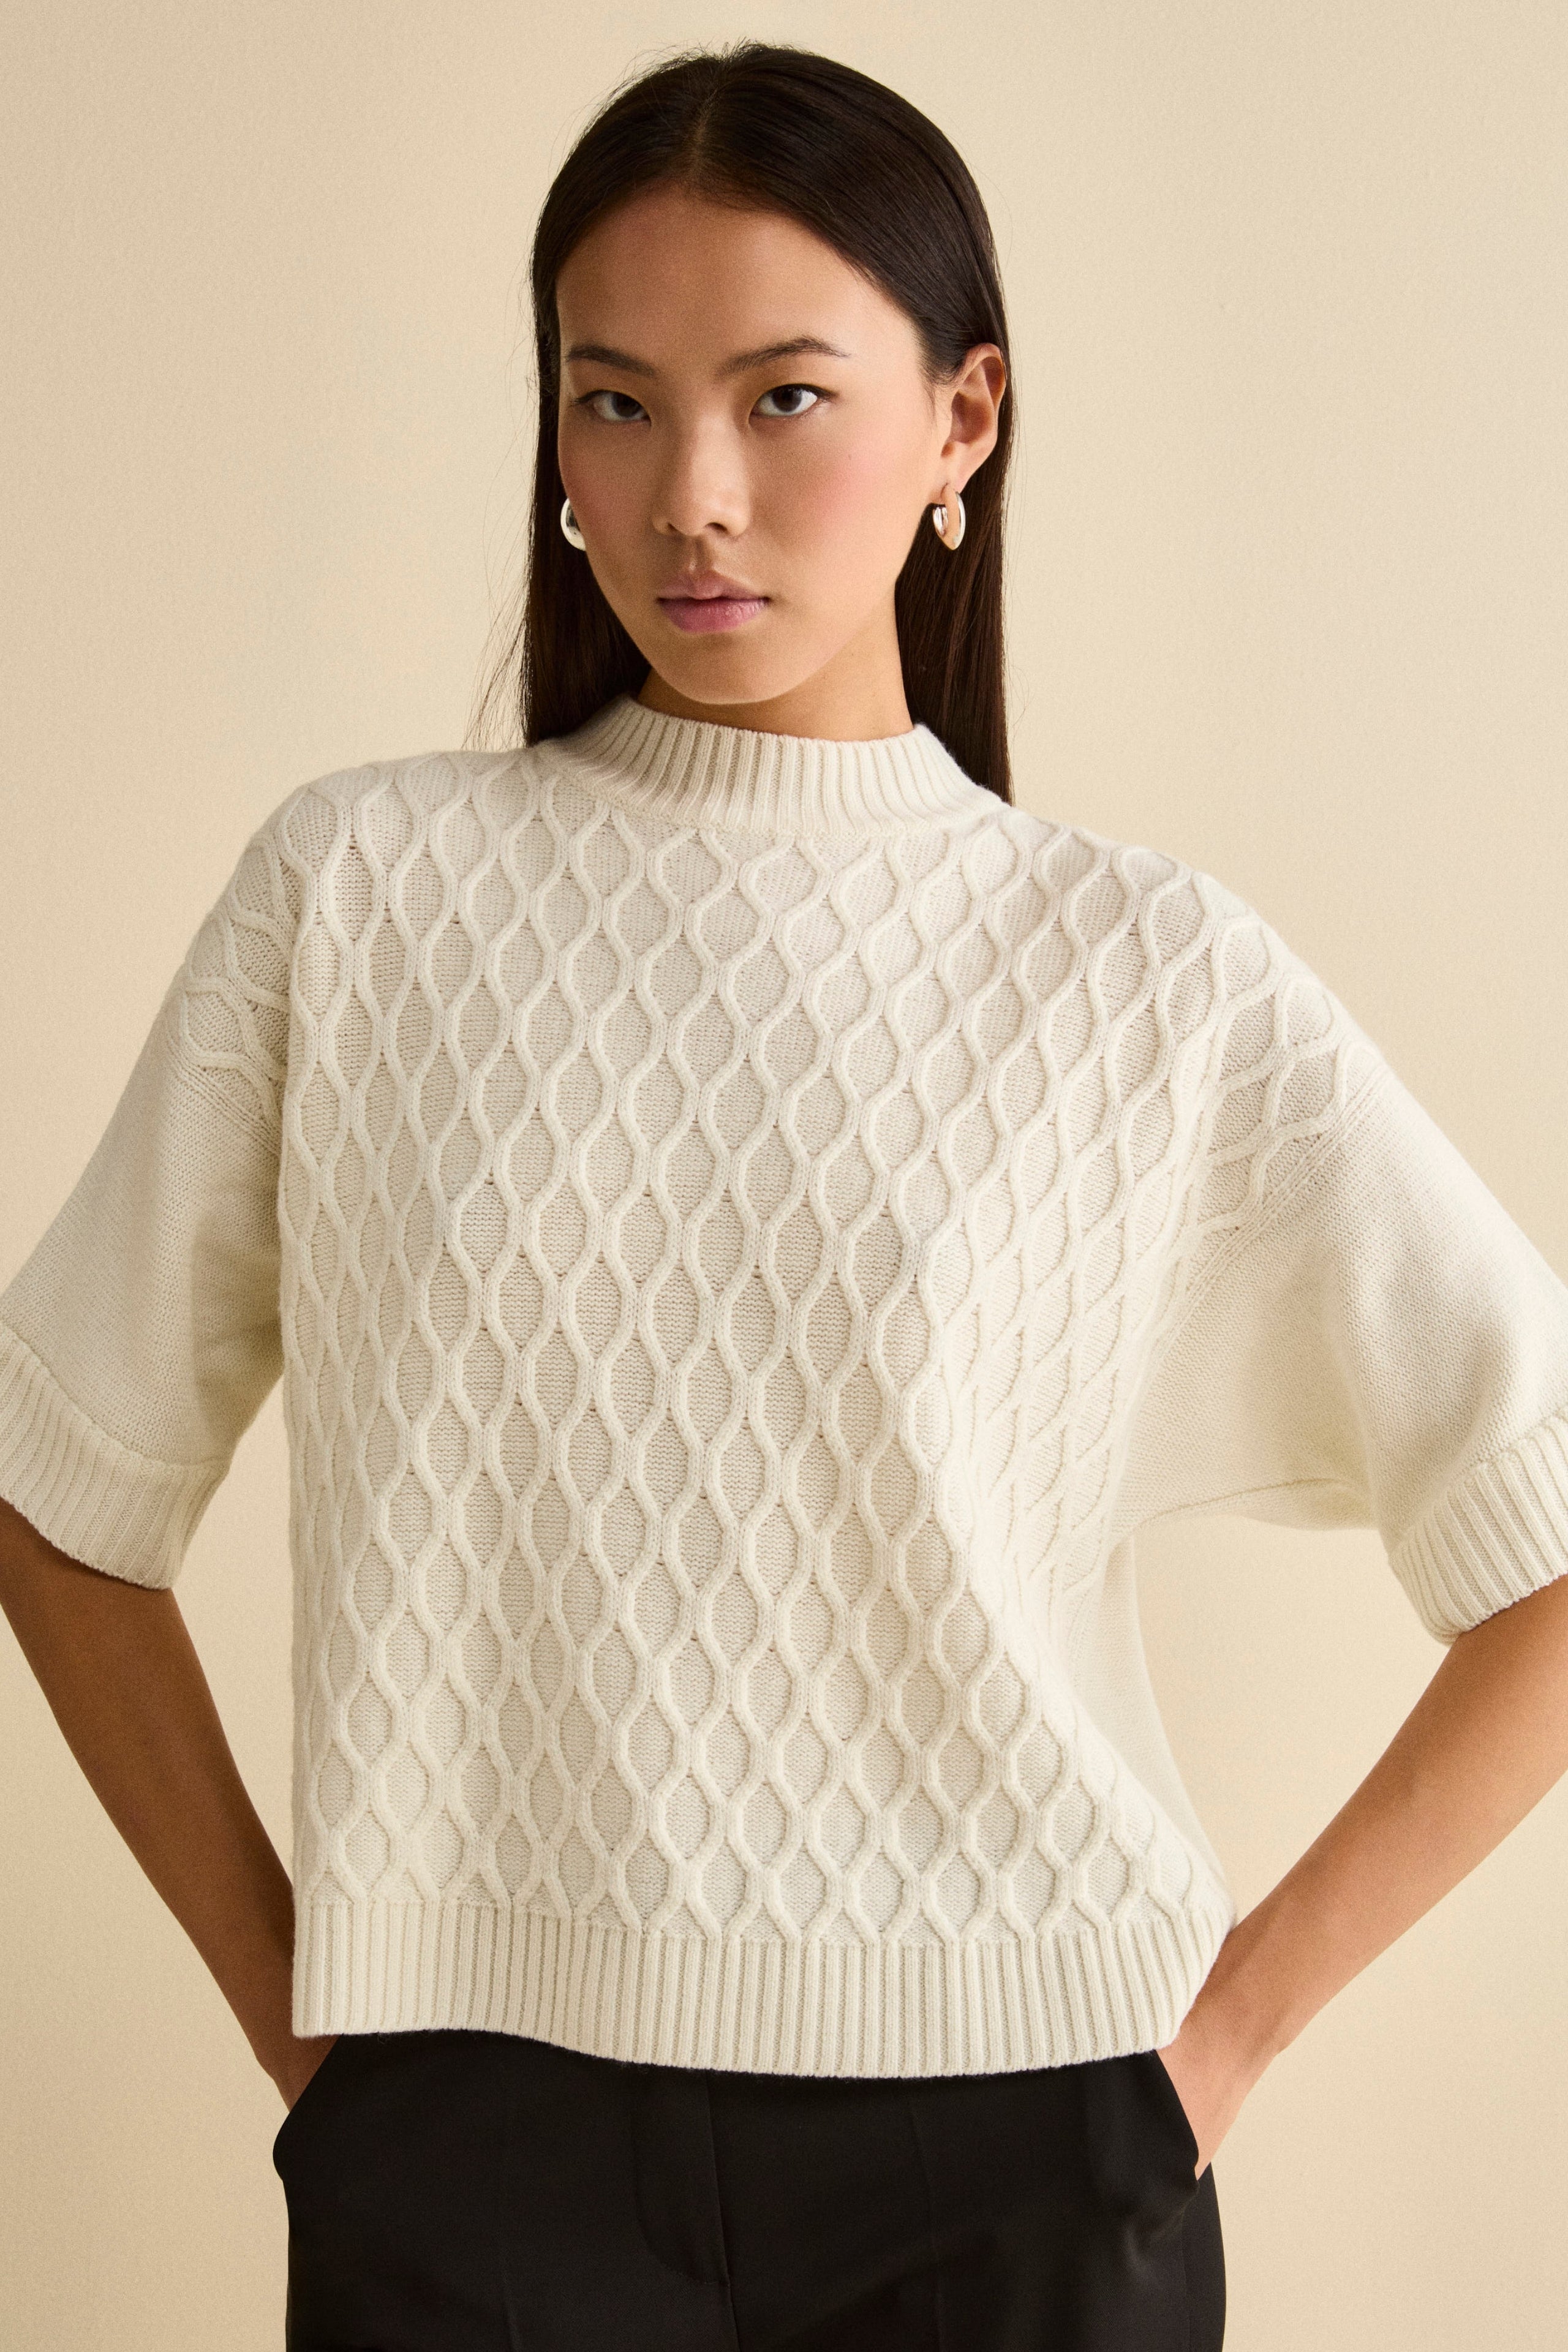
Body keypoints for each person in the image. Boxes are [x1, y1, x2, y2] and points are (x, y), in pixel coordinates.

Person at [2, 38, 1567, 2352]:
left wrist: (1217, 2047)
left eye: (787, 398)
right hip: (469, 2152)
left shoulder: (1144, 975)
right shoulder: (359, 899)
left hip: (1027, 2168)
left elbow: (1544, 1529)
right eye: (614, 405)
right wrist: (305, 2033)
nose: (693, 499)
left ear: (964, 420)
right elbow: (61, 1476)